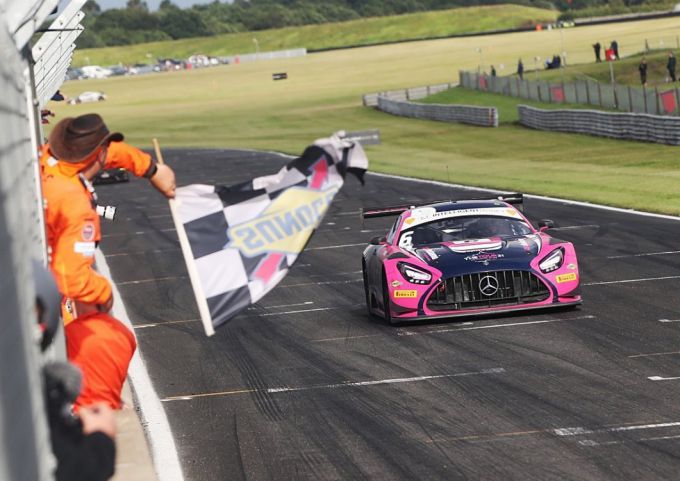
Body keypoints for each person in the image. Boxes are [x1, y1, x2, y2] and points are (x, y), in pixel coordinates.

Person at [41, 113, 137, 410]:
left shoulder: (46, 162)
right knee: (112, 338)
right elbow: (71, 278)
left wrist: (151, 168)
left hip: (44, 284)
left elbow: (111, 153)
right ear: (99, 154)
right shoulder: (73, 200)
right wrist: (103, 292)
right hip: (51, 298)